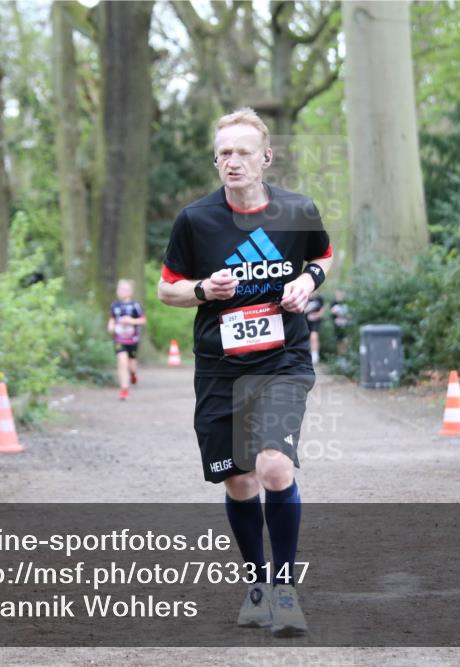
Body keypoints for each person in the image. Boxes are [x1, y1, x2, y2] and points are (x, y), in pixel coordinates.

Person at [158, 107, 332, 637]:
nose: (232, 162)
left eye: (243, 152)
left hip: (283, 362)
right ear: (216, 161)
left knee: (275, 467)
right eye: (224, 154)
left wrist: (309, 282)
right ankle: (256, 583)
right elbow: (167, 288)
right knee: (239, 480)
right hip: (220, 369)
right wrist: (202, 290)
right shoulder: (195, 220)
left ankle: (284, 588)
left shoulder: (297, 210)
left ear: (266, 158)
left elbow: (323, 255)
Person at [108, 279, 146, 401]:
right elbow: (112, 320)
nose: (121, 292)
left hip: (133, 340)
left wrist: (131, 321)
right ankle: (124, 389)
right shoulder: (114, 305)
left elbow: (142, 320)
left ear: (130, 292)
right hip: (119, 339)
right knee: (122, 361)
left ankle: (133, 374)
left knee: (131, 365)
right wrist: (111, 327)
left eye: (124, 289)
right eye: (119, 289)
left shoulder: (135, 306)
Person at [304, 294, 326, 364]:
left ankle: (315, 356)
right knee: (307, 338)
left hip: (316, 321)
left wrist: (317, 315)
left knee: (314, 336)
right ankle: (308, 355)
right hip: (306, 321)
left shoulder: (319, 298)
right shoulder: (305, 296)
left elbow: (322, 310)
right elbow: (302, 310)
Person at [329, 290, 351, 354]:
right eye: (338, 295)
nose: (339, 296)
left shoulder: (346, 303)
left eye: (341, 294)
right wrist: (343, 315)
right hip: (337, 326)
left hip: (346, 326)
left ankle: (345, 354)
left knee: (346, 340)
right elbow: (333, 312)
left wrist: (343, 315)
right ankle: (340, 355)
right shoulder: (333, 303)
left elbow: (349, 315)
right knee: (339, 341)